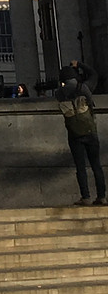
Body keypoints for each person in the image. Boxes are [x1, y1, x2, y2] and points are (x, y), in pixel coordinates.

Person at [55, 62, 106, 206]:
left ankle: (86, 197)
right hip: (90, 131)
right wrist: (80, 64)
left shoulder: (59, 93)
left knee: (80, 166)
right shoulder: (84, 87)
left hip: (74, 133)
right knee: (96, 165)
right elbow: (94, 74)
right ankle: (101, 196)